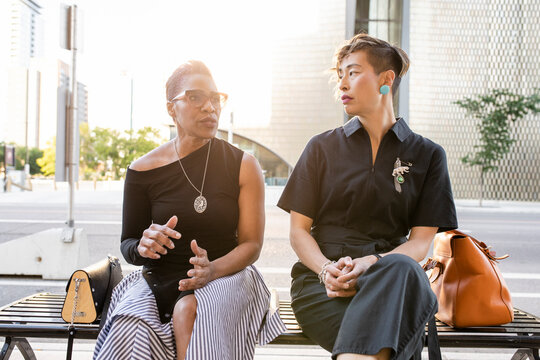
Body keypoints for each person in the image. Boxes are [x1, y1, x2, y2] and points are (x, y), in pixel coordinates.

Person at [277, 34, 458, 360]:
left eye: (353, 72)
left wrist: (370, 264)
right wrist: (326, 270)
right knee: (389, 337)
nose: (342, 84)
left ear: (386, 80)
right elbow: (298, 231)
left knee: (404, 267)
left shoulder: (428, 155)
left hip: (390, 284)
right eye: (340, 74)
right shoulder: (321, 147)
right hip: (323, 288)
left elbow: (420, 244)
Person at [94, 60, 285, 360]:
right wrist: (143, 245)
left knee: (190, 313)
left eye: (215, 98)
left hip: (227, 273)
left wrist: (212, 270)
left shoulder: (243, 165)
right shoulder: (142, 170)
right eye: (196, 97)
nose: (210, 107)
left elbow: (252, 244)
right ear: (172, 109)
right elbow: (128, 244)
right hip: (159, 276)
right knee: (129, 325)